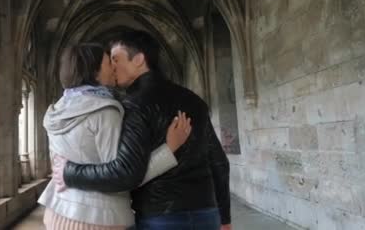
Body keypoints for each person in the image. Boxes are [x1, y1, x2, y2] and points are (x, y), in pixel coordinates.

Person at [53, 31, 231, 230]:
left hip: (160, 218)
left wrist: (69, 172)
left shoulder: (132, 105)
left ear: (138, 60)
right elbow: (219, 162)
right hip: (207, 214)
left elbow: (126, 173)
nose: (112, 66)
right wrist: (225, 217)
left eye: (116, 59)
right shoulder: (195, 101)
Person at [38, 43, 192, 229]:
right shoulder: (104, 111)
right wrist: (169, 148)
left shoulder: (59, 109)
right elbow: (122, 177)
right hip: (96, 220)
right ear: (95, 72)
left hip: (57, 212)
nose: (113, 67)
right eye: (107, 63)